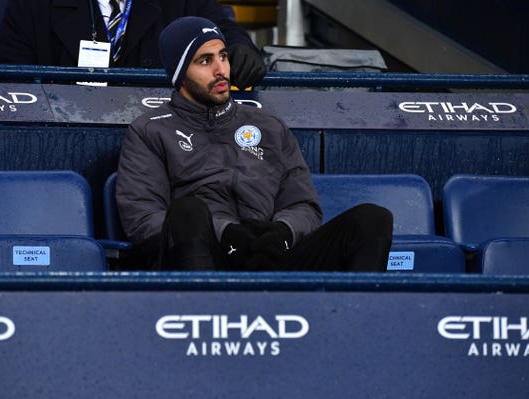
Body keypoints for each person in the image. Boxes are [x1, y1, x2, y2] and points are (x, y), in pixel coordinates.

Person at [115, 16, 393, 271]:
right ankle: (203, 314)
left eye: (223, 56)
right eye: (204, 61)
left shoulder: (269, 125)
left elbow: (305, 206)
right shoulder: (150, 130)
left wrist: (283, 232)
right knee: (188, 210)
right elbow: (143, 218)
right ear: (179, 73)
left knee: (372, 219)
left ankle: (358, 319)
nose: (221, 70)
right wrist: (225, 233)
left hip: (271, 253)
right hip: (208, 257)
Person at [0, 0, 266, 89]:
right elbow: (7, 78)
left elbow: (224, 28)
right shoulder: (32, 6)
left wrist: (240, 48)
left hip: (160, 147)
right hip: (61, 143)